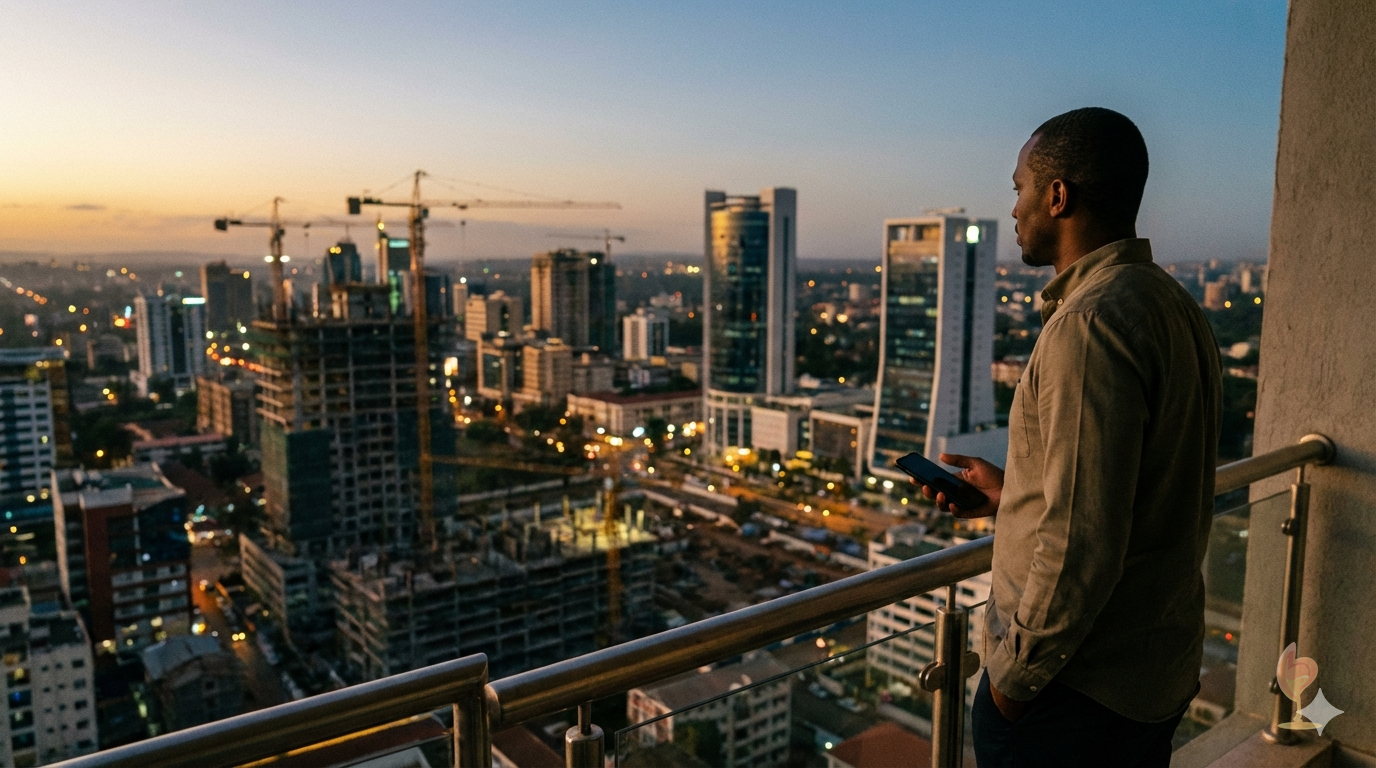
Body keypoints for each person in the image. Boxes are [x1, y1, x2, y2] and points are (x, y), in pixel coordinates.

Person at [915, 107, 1222, 767]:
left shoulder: (1089, 324)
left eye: (1021, 188)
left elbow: (1083, 539)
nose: (1016, 208)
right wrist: (1013, 496)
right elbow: (1132, 485)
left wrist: (1014, 684)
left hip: (1076, 697)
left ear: (1058, 196)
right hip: (1149, 672)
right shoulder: (1168, 303)